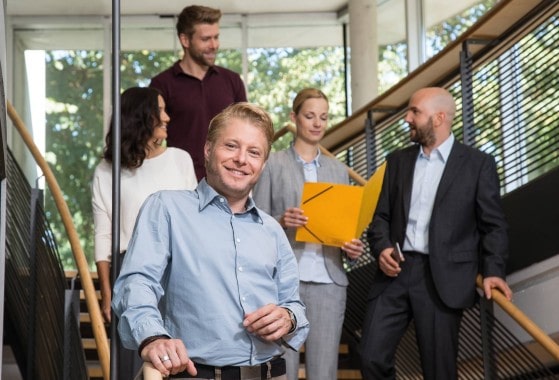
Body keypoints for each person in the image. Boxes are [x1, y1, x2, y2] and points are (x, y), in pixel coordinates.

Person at [112, 102, 309, 380]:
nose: (242, 159)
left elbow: (294, 304)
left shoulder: (272, 230)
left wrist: (288, 318)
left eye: (254, 152)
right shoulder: (167, 208)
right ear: (207, 150)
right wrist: (153, 337)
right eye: (231, 146)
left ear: (262, 165)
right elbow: (137, 283)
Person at [359, 87, 513, 380]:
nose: (407, 118)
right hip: (395, 274)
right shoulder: (397, 162)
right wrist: (381, 249)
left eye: (415, 112)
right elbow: (380, 218)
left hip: (443, 278)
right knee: (370, 358)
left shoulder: (478, 164)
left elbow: (493, 224)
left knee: (439, 372)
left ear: (439, 117)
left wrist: (494, 270)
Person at [252, 88, 365, 380]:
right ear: (294, 117)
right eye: (310, 116)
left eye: (323, 117)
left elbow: (342, 228)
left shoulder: (339, 170)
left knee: (324, 372)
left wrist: (351, 248)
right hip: (286, 282)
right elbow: (255, 222)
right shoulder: (273, 164)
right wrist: (282, 219)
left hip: (330, 281)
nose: (317, 123)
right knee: (283, 371)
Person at [92, 86, 197, 378]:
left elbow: (193, 224)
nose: (167, 117)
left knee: (180, 359)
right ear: (140, 117)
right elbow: (103, 235)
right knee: (135, 361)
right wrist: (105, 293)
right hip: (130, 272)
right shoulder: (106, 170)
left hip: (179, 270)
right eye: (160, 110)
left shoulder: (180, 159)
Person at [150, 5, 247, 182]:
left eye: (216, 37)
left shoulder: (232, 80)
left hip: (227, 183)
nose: (214, 45)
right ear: (185, 40)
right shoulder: (161, 84)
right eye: (206, 39)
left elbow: (246, 131)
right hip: (180, 182)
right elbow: (151, 138)